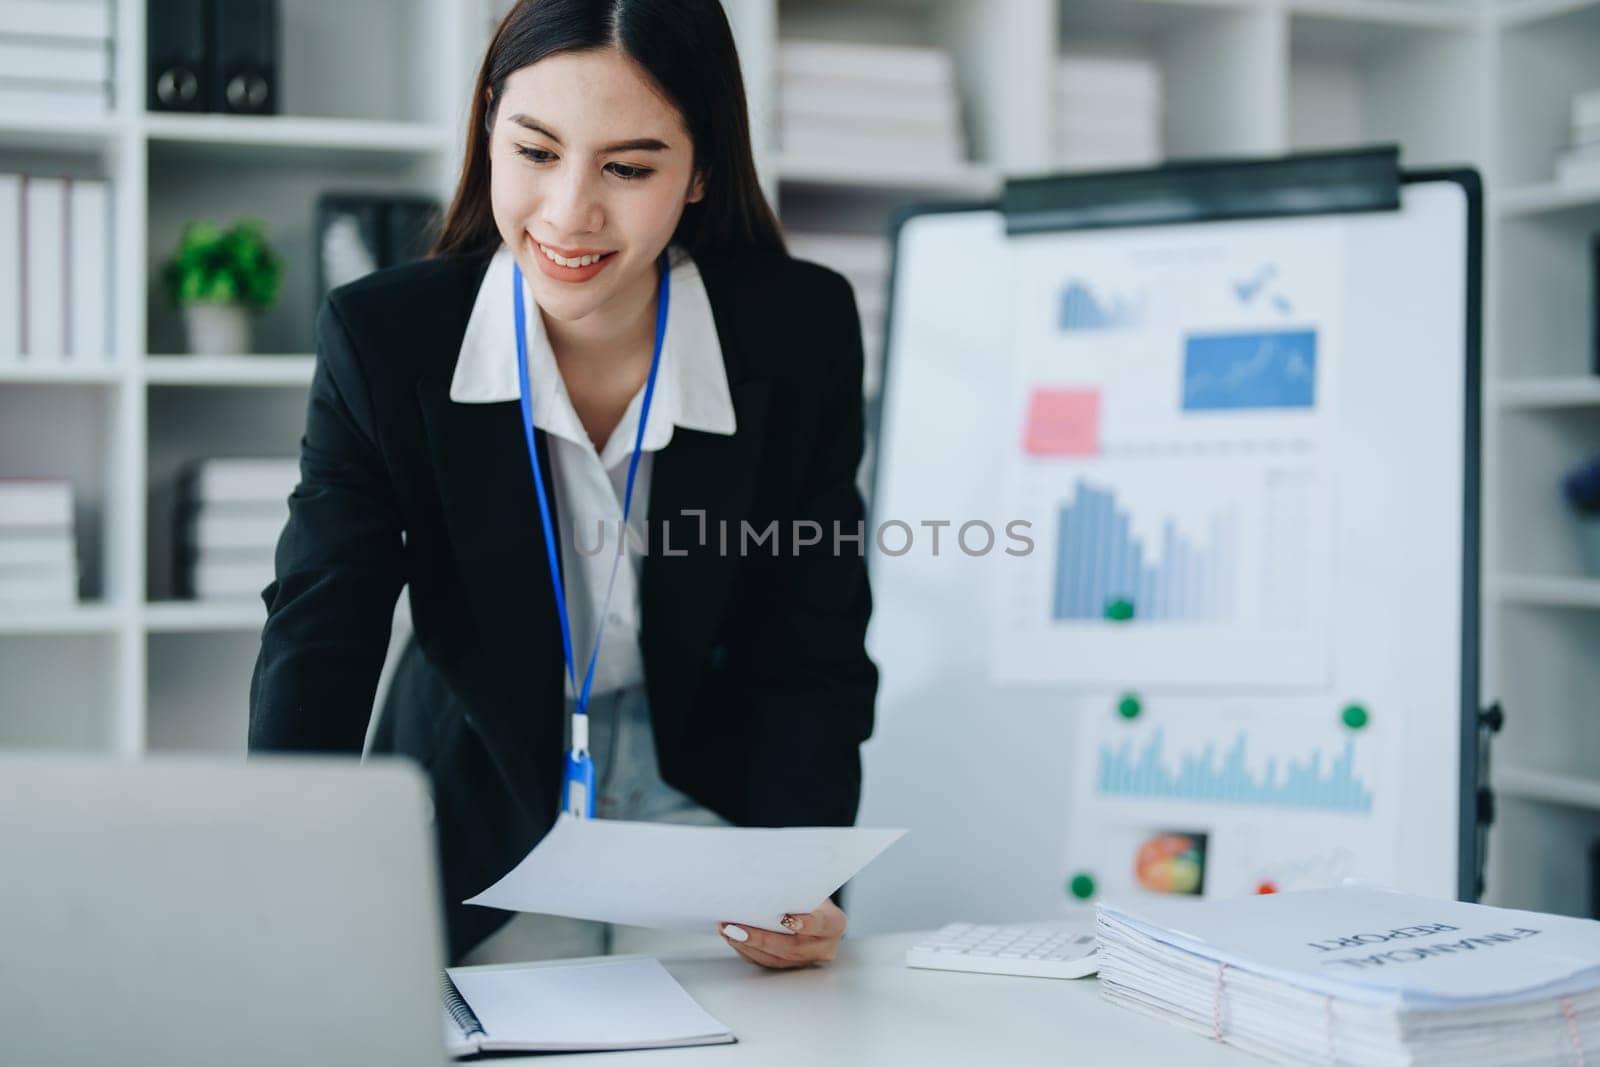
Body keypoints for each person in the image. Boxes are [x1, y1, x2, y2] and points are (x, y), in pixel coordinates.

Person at [247, 0, 877, 968]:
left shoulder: (801, 331)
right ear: (489, 125)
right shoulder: (387, 341)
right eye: (535, 150)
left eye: (627, 167)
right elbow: (320, 627)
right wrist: (286, 869)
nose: (568, 213)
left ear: (701, 169)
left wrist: (801, 871)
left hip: (711, 777)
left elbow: (814, 635)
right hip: (480, 778)